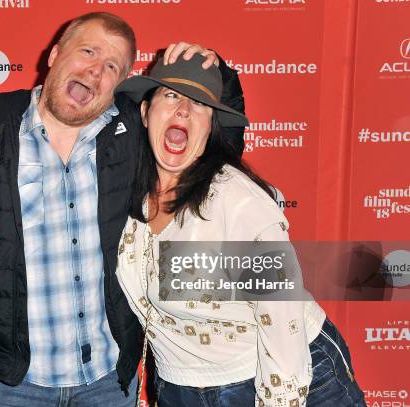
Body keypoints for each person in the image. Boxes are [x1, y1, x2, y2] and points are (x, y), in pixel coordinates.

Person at [0, 12, 245, 407]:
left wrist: (214, 72)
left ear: (119, 86)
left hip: (106, 382)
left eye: (111, 67)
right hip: (4, 383)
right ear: (54, 55)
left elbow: (216, 145)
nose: (95, 71)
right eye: (88, 51)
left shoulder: (133, 135)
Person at [114, 53, 366, 406]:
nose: (183, 110)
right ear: (144, 113)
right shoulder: (125, 192)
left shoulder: (236, 200)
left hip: (276, 373)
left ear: (211, 126)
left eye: (199, 103)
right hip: (180, 387)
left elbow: (281, 319)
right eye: (170, 95)